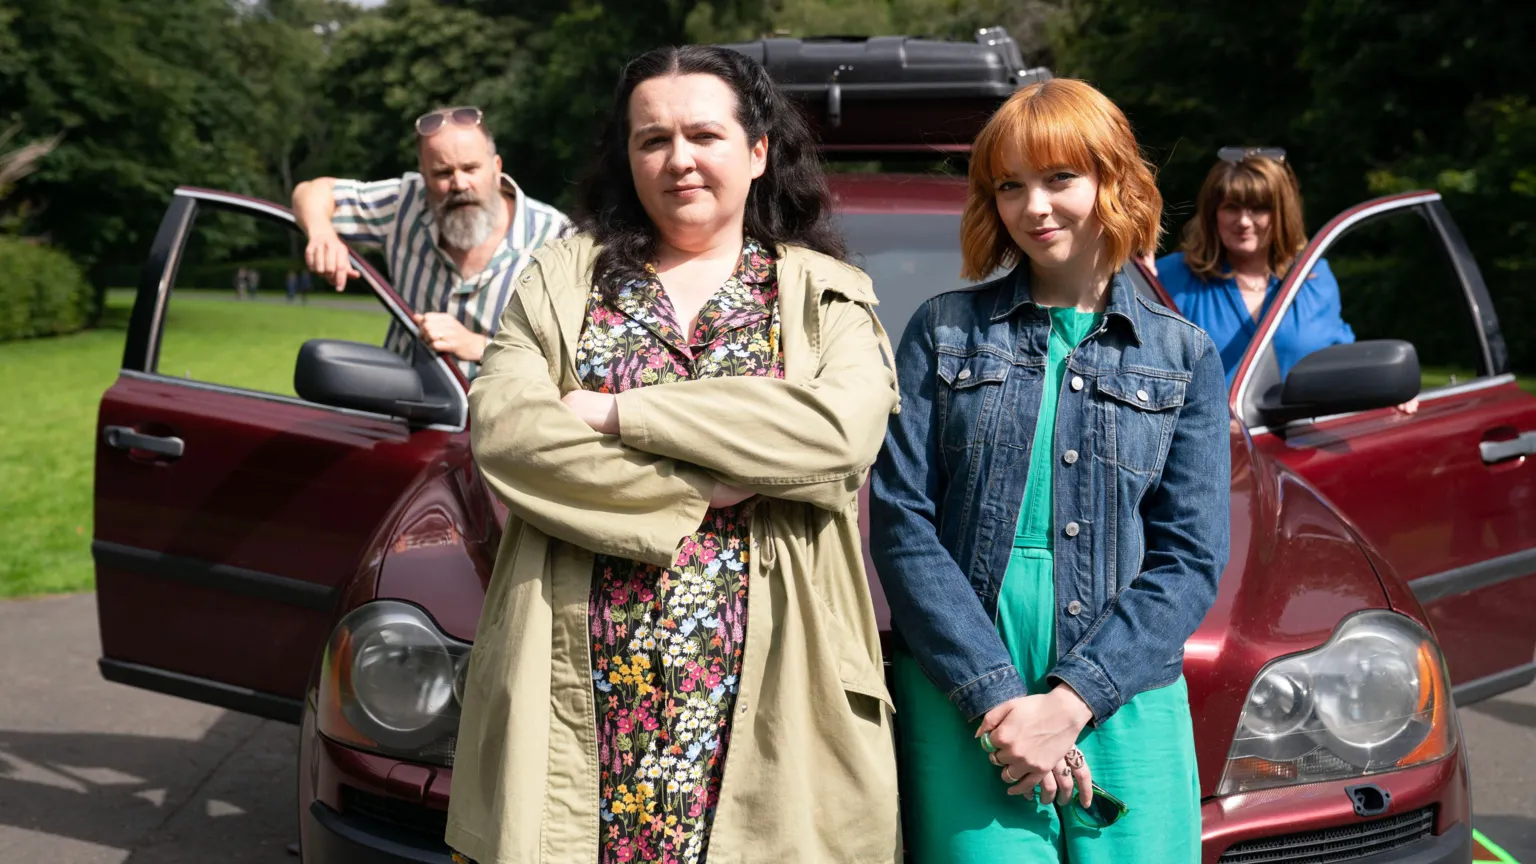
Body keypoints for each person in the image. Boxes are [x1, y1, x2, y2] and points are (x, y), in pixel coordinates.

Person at [446, 46, 902, 864]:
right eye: (652, 139)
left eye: (704, 134)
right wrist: (712, 486)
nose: (679, 159)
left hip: (771, 693)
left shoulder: (823, 292)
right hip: (581, 692)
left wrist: (619, 411)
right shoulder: (561, 281)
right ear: (628, 157)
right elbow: (510, 435)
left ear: (758, 151)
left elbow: (838, 432)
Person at [871, 78, 1230, 863]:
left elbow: (1191, 558)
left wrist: (1071, 703)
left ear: (1114, 180)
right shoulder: (941, 332)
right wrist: (999, 699)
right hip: (963, 686)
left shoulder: (1185, 355)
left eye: (1059, 178)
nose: (1034, 207)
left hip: (1123, 689)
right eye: (1010, 186)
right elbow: (901, 524)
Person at [291, 106, 571, 378]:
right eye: (442, 173)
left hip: (500, 418)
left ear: (496, 167)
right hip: (402, 407)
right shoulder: (405, 203)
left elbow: (577, 359)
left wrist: (478, 345)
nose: (459, 184)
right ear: (423, 175)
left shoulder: (557, 237)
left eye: (470, 168)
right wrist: (322, 233)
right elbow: (311, 191)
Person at [1154, 148, 1353, 386]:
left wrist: (1393, 396)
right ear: (1212, 214)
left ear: (1281, 215)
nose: (1244, 222)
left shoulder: (1314, 278)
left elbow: (1344, 365)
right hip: (1208, 424)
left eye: (1259, 208)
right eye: (1231, 207)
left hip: (1305, 423)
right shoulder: (1169, 277)